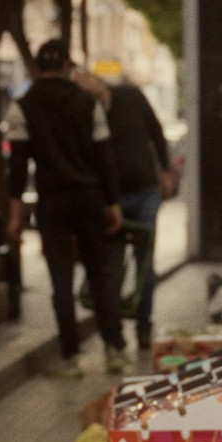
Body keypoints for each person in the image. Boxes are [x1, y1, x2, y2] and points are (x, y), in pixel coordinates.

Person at [4, 39, 130, 378]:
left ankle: (70, 358)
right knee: (100, 273)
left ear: (38, 68)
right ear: (66, 66)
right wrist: (112, 203)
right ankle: (115, 349)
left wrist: (16, 215)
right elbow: (105, 159)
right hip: (89, 199)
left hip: (52, 202)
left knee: (60, 281)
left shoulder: (22, 107)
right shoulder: (89, 104)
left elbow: (17, 169)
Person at [71, 69, 174, 349]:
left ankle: (143, 325)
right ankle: (113, 332)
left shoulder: (130, 96)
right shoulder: (86, 112)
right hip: (111, 199)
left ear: (97, 80)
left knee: (146, 266)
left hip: (144, 193)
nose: (87, 92)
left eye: (87, 84)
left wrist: (165, 169)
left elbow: (156, 131)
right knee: (111, 267)